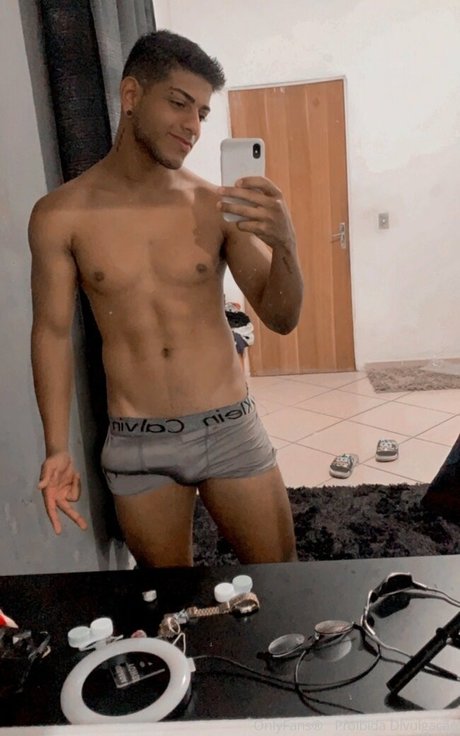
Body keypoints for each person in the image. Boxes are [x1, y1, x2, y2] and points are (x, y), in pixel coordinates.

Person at [29, 30, 304, 567]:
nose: (193, 126)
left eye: (201, 112)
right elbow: (52, 334)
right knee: (166, 601)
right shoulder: (61, 215)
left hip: (228, 424)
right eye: (179, 103)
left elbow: (281, 317)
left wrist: (286, 246)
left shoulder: (215, 205)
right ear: (131, 95)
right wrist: (56, 447)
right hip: (137, 441)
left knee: (281, 580)